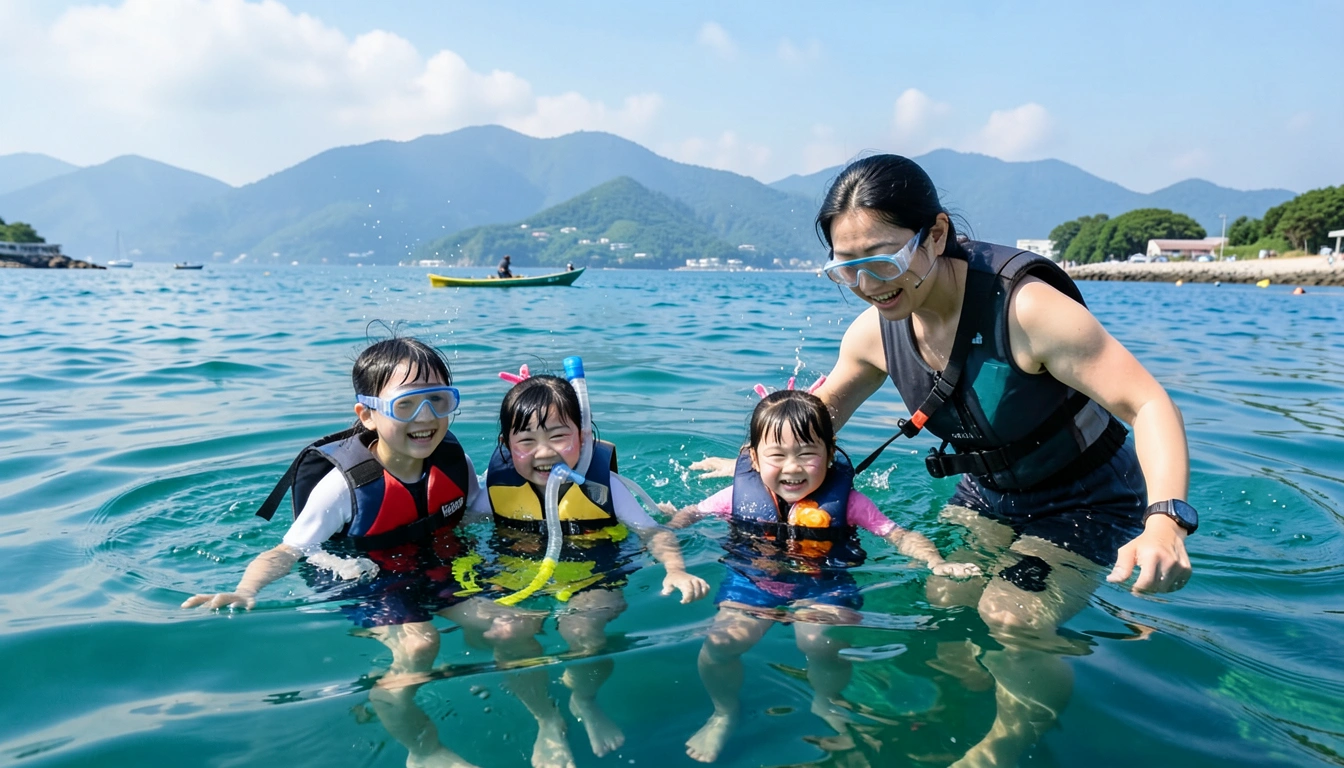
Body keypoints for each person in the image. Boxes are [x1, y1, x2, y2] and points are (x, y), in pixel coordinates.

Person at [695, 155, 1196, 767]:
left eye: (881, 260)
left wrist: (1166, 520)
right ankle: (965, 702)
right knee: (944, 595)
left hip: (1084, 498)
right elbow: (816, 417)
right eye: (845, 269)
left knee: (1010, 615)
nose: (868, 284)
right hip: (988, 493)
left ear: (934, 235)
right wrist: (751, 468)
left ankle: (1005, 746)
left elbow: (1147, 403)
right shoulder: (875, 331)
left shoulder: (1028, 310)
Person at [184, 336, 485, 768]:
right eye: (406, 405)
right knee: (420, 644)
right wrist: (246, 589)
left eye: (439, 400)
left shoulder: (454, 462)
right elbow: (286, 551)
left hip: (425, 563)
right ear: (367, 415)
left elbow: (477, 515)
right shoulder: (345, 486)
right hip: (357, 575)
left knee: (505, 625)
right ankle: (424, 751)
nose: (427, 417)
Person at [665, 388, 980, 763]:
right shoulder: (736, 494)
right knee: (718, 646)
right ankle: (724, 712)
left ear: (830, 455)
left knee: (820, 641)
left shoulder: (851, 504)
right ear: (753, 458)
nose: (792, 467)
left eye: (807, 453)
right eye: (777, 455)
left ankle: (826, 700)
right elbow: (689, 514)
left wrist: (935, 561)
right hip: (754, 580)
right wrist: (671, 526)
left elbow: (899, 535)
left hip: (825, 583)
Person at [466, 370, 709, 768]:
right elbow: (460, 529)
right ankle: (547, 719)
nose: (544, 452)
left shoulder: (605, 486)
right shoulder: (494, 487)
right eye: (526, 440)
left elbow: (653, 533)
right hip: (520, 570)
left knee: (584, 631)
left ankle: (584, 697)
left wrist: (675, 569)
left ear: (582, 435)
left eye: (558, 436)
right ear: (506, 446)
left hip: (593, 571)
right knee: (508, 632)